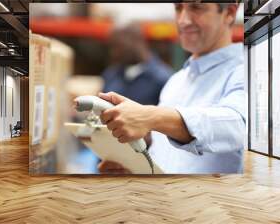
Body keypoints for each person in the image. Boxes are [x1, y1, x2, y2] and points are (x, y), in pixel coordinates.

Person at [95, 3, 246, 174]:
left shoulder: (247, 70)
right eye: (178, 8)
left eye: (196, 7)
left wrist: (151, 117)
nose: (183, 20)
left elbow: (238, 125)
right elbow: (166, 159)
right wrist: (135, 169)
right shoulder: (175, 82)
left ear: (230, 13)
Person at [102, 23, 172, 105]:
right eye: (112, 47)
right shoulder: (111, 75)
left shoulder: (163, 79)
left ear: (136, 41)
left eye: (119, 46)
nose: (114, 53)